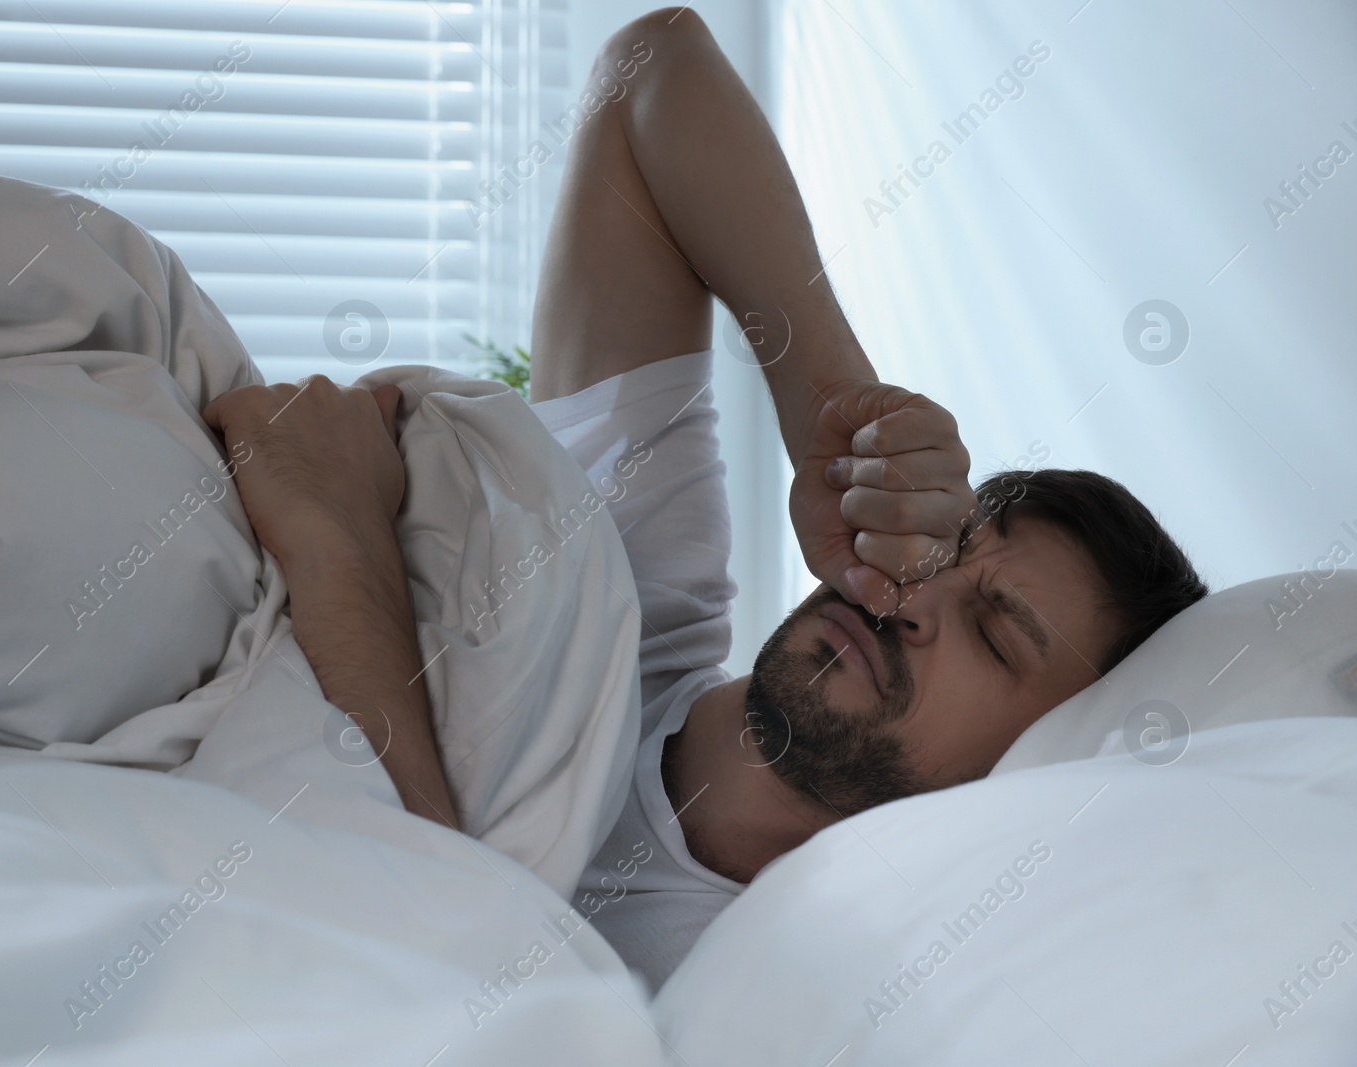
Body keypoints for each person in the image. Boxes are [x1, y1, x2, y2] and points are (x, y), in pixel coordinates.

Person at [202, 8, 1208, 992]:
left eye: (996, 634)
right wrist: (829, 400)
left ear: (1026, 767)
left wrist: (338, 549)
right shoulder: (637, 600)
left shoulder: (767, 989)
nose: (906, 591)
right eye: (944, 546)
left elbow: (438, 997)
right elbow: (649, 70)